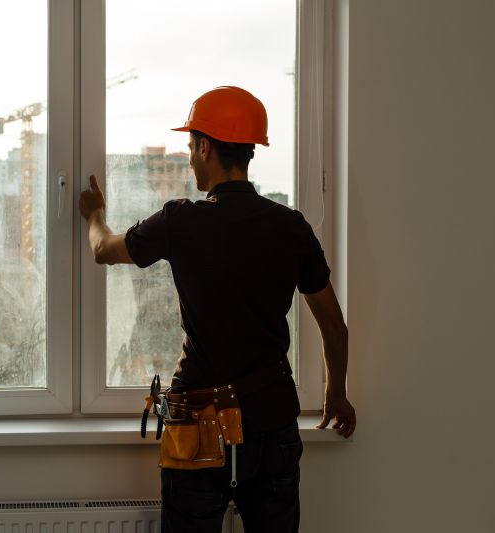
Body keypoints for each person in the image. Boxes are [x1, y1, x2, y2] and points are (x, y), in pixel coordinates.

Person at [79, 86, 355, 533]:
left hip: (199, 422)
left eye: (191, 147)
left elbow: (103, 250)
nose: (190, 159)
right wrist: (335, 393)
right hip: (271, 420)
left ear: (205, 147)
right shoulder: (291, 227)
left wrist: (93, 214)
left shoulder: (180, 221)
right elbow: (335, 327)